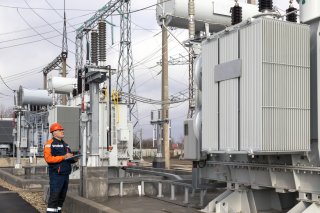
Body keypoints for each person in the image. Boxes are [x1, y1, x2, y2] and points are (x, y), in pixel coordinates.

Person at [44, 122, 76, 213]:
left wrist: (74, 159)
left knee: (61, 197)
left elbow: (68, 158)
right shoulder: (49, 144)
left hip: (65, 174)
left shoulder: (65, 144)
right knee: (54, 196)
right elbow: (48, 159)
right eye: (60, 130)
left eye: (62, 130)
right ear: (54, 132)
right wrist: (64, 157)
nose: (63, 131)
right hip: (56, 175)